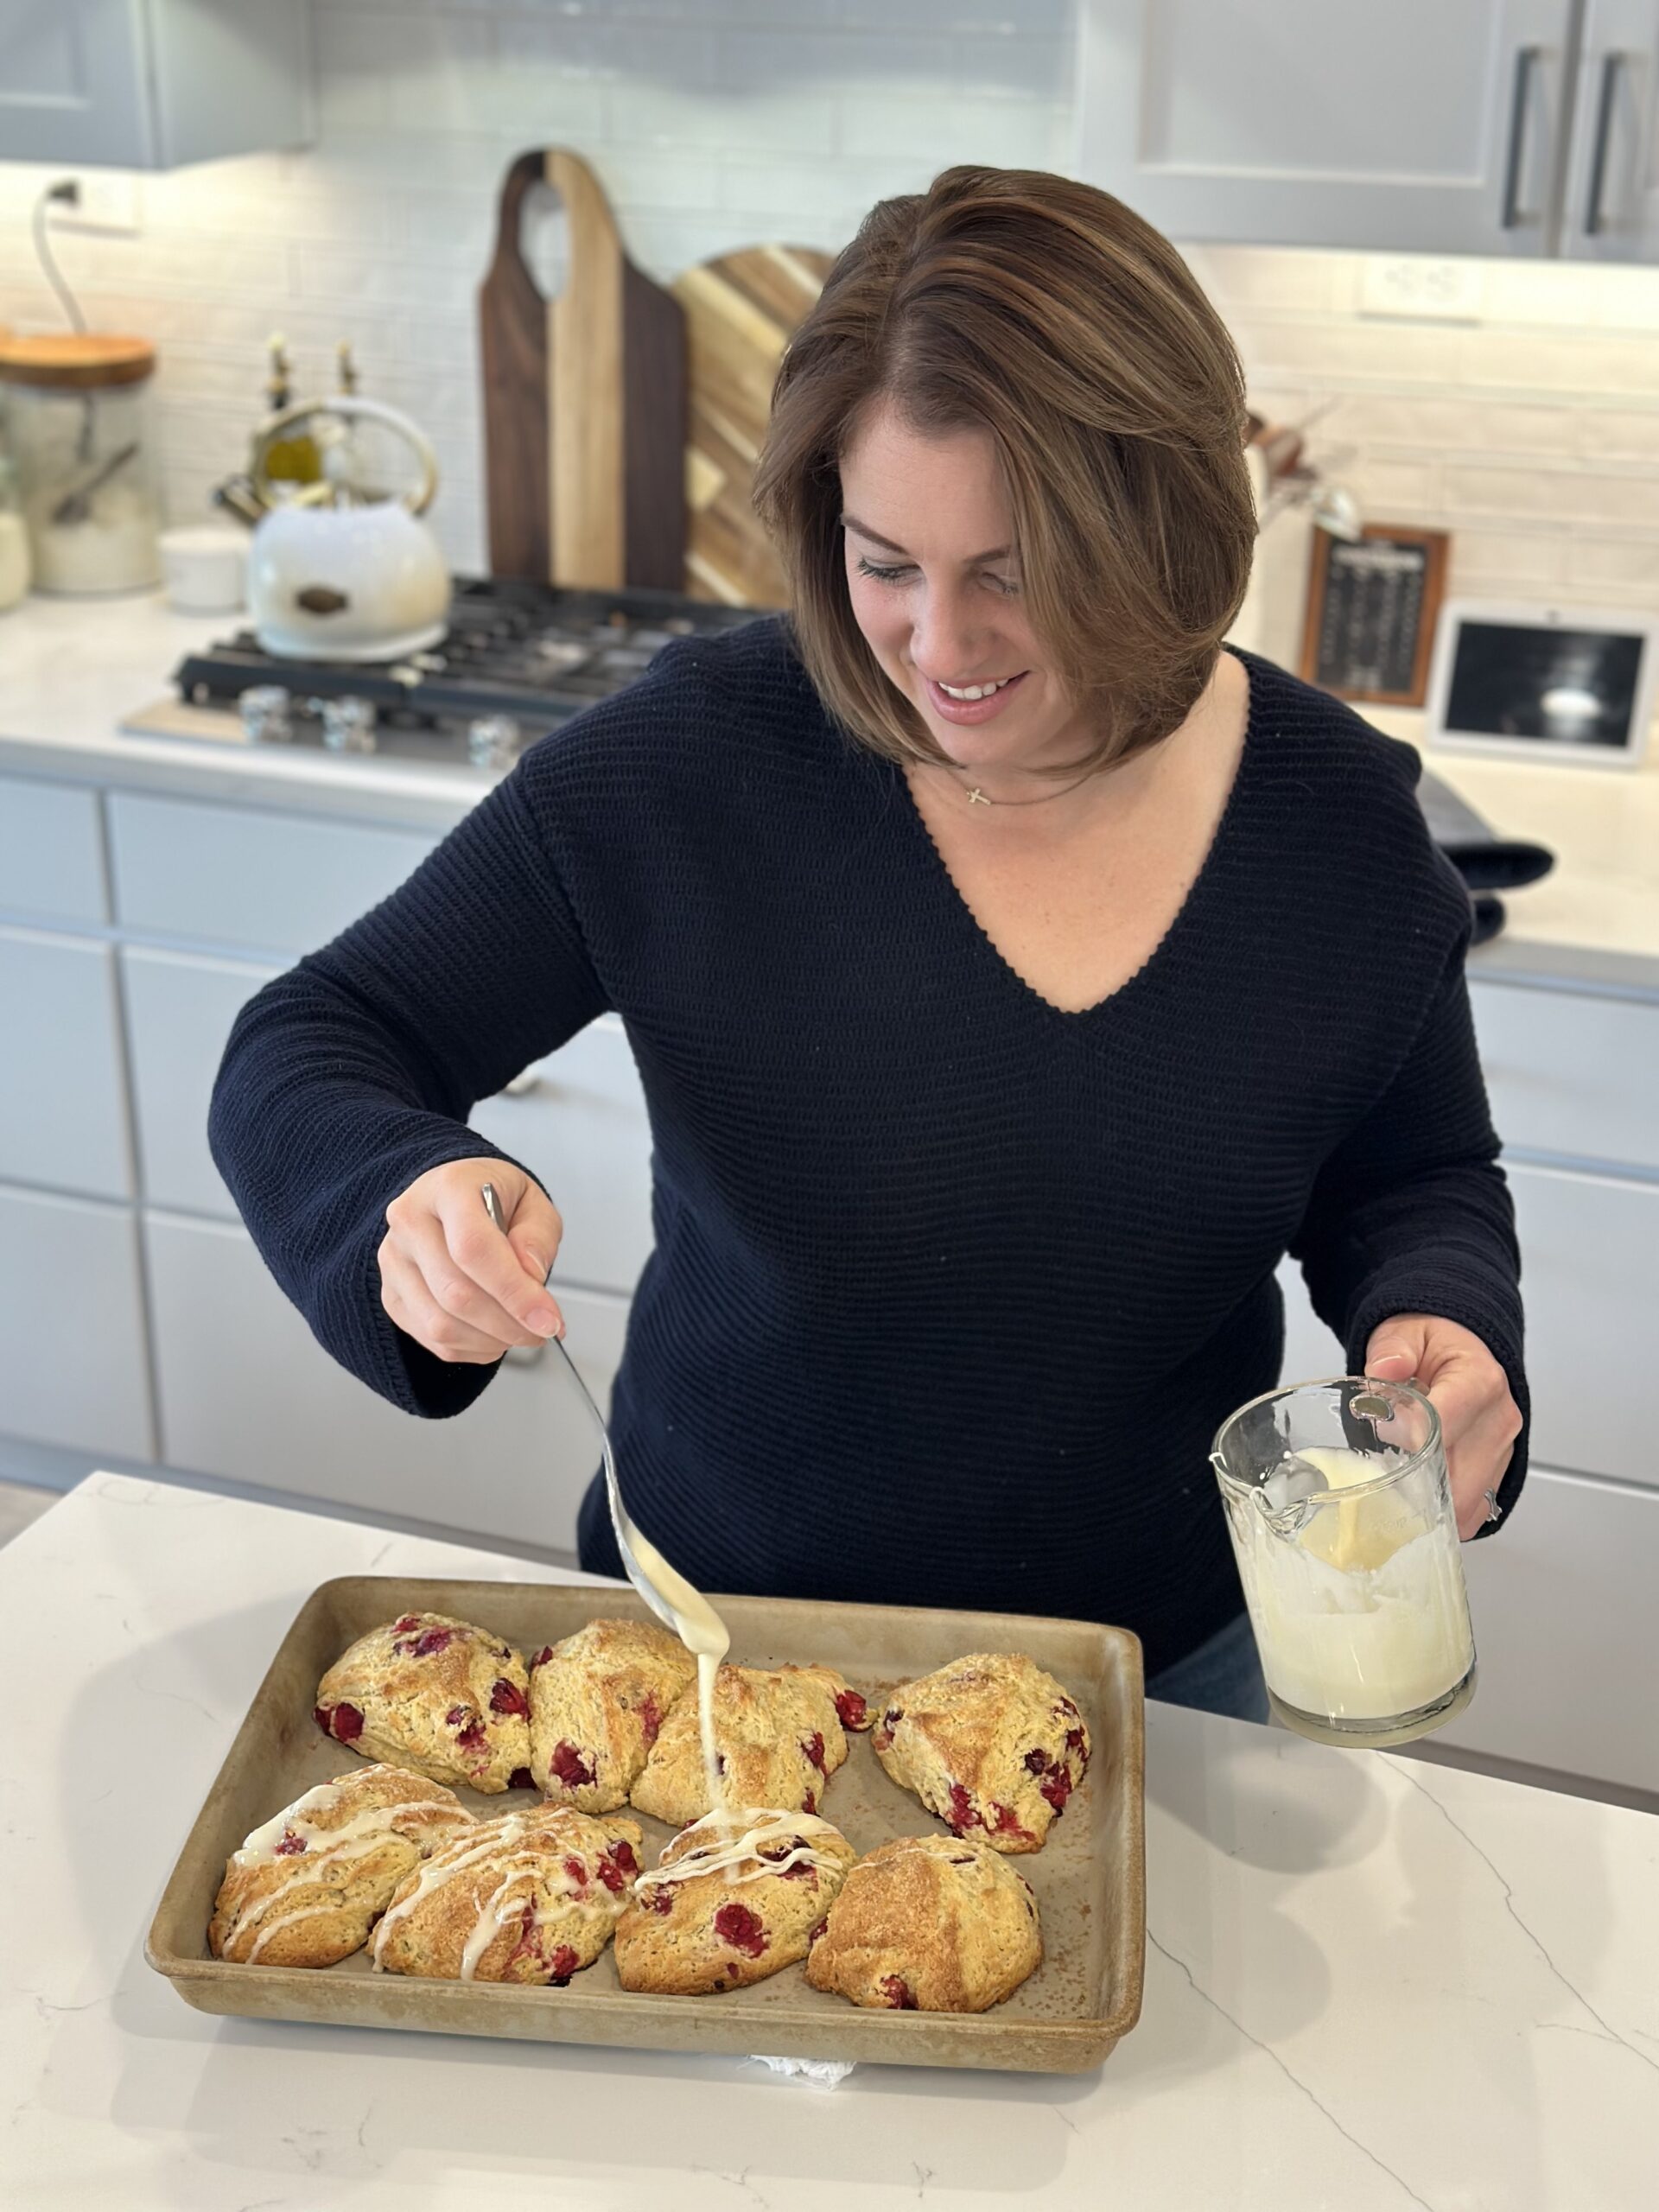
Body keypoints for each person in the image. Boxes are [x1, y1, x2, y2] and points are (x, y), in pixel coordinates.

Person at [209, 168, 1526, 1726]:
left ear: (1165, 528)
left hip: (1161, 1688)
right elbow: (320, 1032)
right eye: (886, 563)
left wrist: (1444, 1312)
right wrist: (397, 1194)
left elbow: (1416, 1176)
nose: (942, 651)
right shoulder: (693, 764)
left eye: (1018, 574)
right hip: (715, 1664)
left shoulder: (1336, 824)